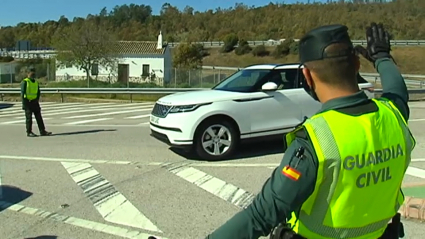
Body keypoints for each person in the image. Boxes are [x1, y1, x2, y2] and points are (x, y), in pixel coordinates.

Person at [205, 22, 415, 239]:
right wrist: (382, 57)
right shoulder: (393, 115)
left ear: (307, 75)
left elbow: (262, 215)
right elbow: (397, 91)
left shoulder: (316, 139)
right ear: (356, 65)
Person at [21, 68, 52, 137]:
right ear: (28, 74)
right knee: (29, 118)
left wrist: (37, 100)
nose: (32, 74)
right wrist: (24, 104)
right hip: (27, 102)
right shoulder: (25, 82)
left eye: (33, 72)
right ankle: (29, 132)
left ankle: (42, 131)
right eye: (31, 72)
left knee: (39, 117)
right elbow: (22, 93)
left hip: (34, 102)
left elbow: (38, 92)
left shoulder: (35, 82)